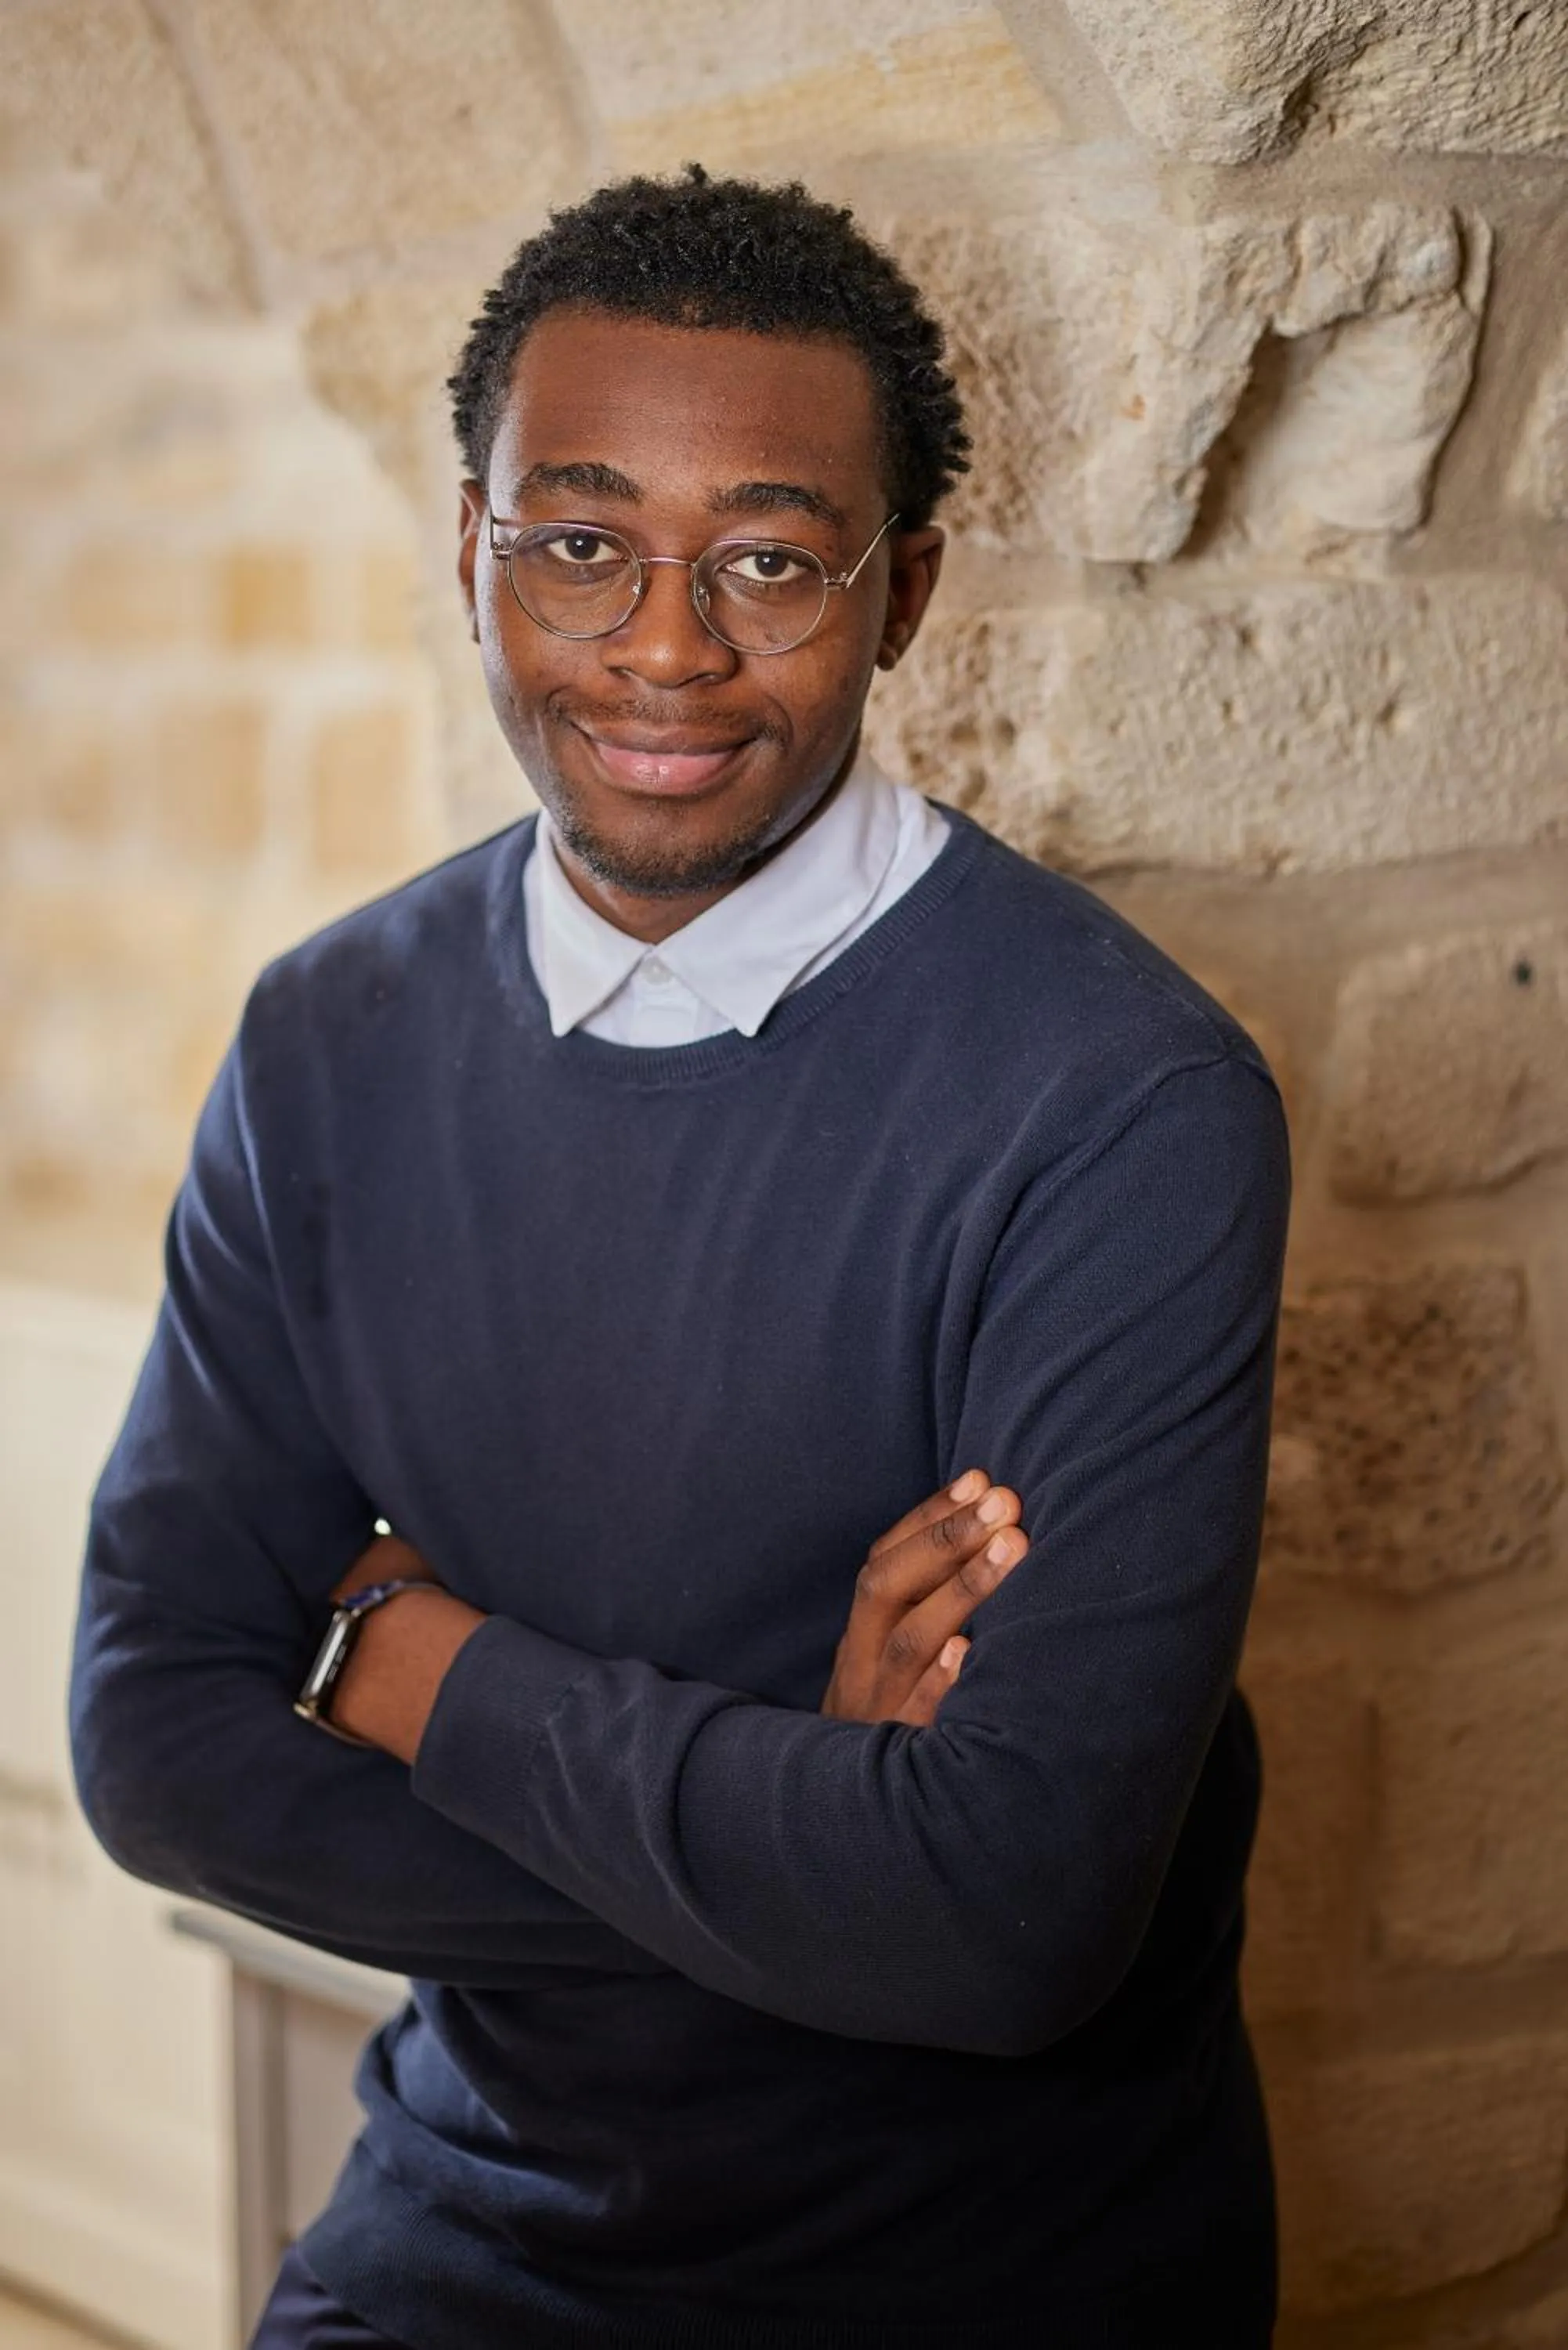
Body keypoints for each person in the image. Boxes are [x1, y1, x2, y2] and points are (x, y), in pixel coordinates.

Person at [69, 165, 1291, 2349]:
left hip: (986, 2275)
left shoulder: (1123, 1101)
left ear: (904, 592)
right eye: (579, 543)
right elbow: (155, 1740)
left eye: (770, 561)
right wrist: (804, 1826)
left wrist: (410, 1663)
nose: (663, 645)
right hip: (463, 2224)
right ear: (472, 551)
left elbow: (1003, 1927)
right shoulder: (327, 1043)